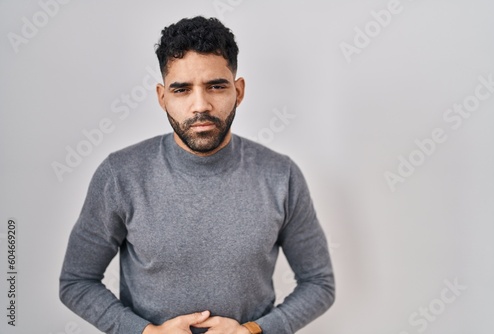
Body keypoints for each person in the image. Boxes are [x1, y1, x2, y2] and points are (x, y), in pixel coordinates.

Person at [59, 16, 335, 334]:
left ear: (239, 91)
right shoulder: (120, 175)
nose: (200, 106)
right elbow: (77, 281)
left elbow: (319, 283)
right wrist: (147, 333)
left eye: (216, 86)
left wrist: (252, 331)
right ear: (162, 97)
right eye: (182, 90)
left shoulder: (280, 175)